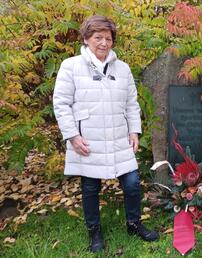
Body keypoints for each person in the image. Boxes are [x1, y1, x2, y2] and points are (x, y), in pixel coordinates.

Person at [53, 15, 158, 252]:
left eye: (108, 38)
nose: (103, 43)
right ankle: (94, 233)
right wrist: (72, 136)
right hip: (87, 140)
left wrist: (134, 130)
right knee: (90, 188)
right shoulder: (70, 66)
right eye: (98, 37)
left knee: (132, 184)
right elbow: (61, 104)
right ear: (86, 39)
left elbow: (132, 103)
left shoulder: (122, 68)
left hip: (119, 137)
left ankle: (134, 224)